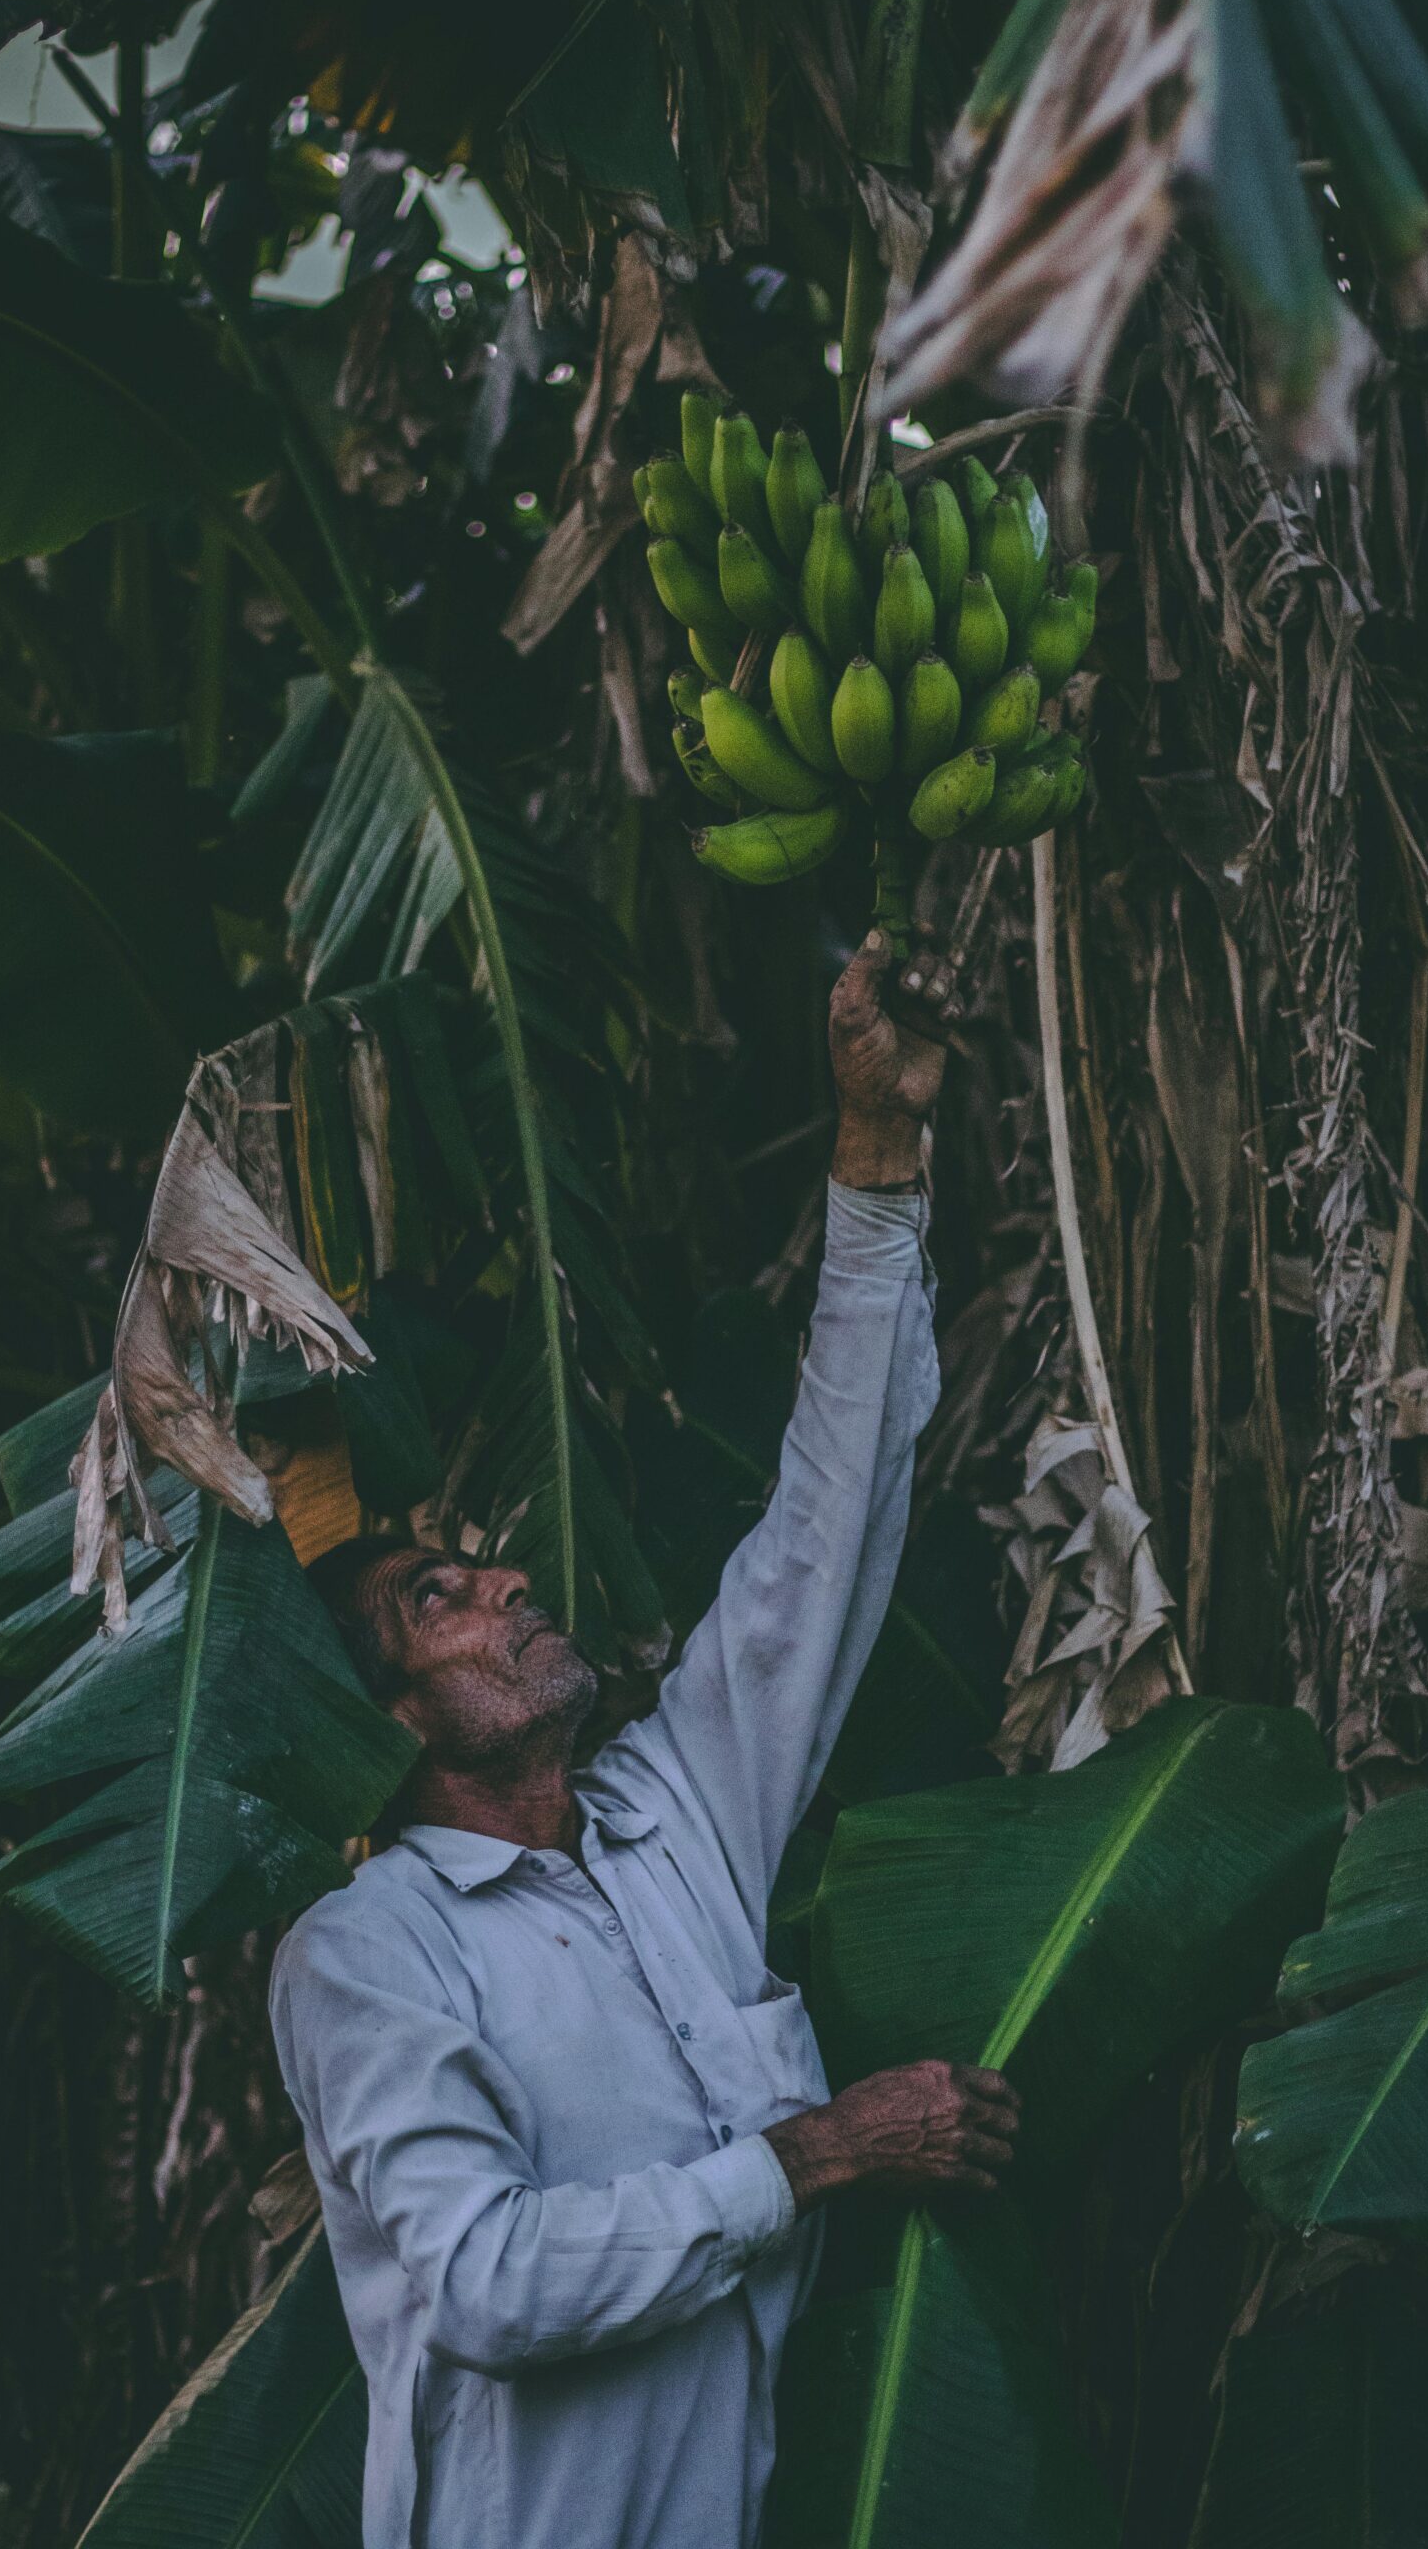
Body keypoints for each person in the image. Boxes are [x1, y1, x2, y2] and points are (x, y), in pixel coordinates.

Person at [270, 933, 1021, 2549]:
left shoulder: (672, 1816)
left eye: (489, 1564)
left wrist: (876, 1156)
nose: (510, 1581)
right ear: (390, 1721)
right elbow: (482, 2277)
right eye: (441, 1600)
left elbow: (824, 1533)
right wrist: (814, 2155)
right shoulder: (368, 1954)